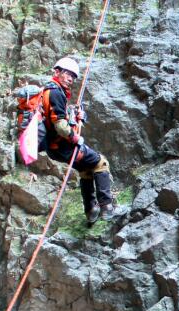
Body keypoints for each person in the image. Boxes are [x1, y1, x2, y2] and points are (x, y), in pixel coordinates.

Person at [40, 57, 127, 223]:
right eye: (68, 74)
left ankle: (91, 210)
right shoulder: (56, 93)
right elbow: (60, 126)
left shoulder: (48, 91)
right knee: (101, 162)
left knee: (86, 169)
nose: (71, 79)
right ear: (57, 72)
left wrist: (75, 116)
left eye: (73, 76)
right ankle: (107, 208)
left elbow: (56, 118)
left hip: (54, 148)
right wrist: (76, 138)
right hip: (63, 146)